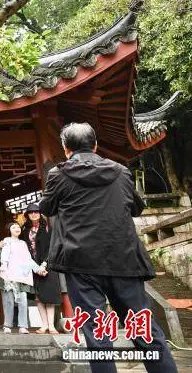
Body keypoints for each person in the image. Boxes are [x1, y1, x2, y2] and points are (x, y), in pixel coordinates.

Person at [40, 122, 177, 373]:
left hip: (80, 261)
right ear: (95, 145)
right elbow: (136, 208)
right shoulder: (121, 172)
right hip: (123, 258)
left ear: (66, 149)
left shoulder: (58, 175)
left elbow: (47, 208)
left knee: (96, 333)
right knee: (143, 328)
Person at [0, 222, 47, 334]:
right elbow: (4, 255)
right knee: (9, 301)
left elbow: (28, 259)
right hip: (9, 275)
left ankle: (23, 326)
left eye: (18, 227)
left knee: (23, 301)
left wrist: (38, 269)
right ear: (9, 230)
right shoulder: (7, 241)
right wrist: (4, 266)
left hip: (22, 276)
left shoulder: (23, 243)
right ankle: (7, 325)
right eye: (13, 227)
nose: (17, 228)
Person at [20, 202, 61, 334]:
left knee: (49, 296)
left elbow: (52, 247)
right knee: (38, 297)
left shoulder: (48, 228)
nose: (33, 214)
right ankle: (44, 325)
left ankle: (51, 326)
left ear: (40, 214)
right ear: (27, 215)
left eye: (36, 212)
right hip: (32, 267)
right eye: (31, 212)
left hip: (48, 266)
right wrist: (5, 242)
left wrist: (44, 264)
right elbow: (20, 246)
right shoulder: (25, 231)